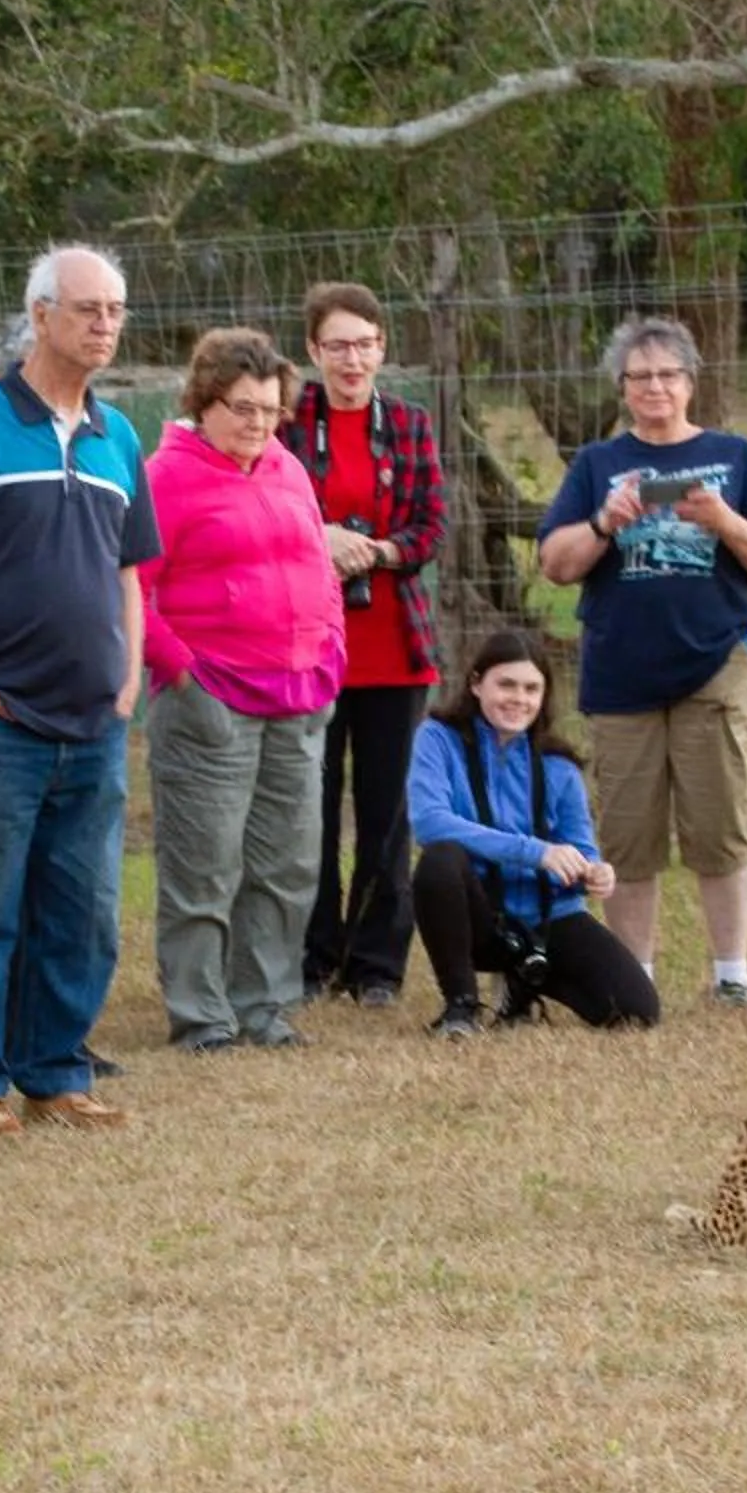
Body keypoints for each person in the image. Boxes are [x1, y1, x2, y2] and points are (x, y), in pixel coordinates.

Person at [0, 243, 158, 1134]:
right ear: (40, 315)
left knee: (82, 911)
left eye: (116, 310)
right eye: (88, 308)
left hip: (94, 721)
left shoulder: (119, 434)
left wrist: (127, 675)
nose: (105, 325)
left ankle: (56, 1074)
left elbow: (130, 569)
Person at [537, 315, 747, 1006]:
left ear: (691, 382)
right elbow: (556, 564)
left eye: (668, 374)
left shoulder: (736, 458)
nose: (655, 387)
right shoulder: (596, 465)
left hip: (717, 661)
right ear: (623, 388)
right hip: (620, 670)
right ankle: (635, 978)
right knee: (627, 834)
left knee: (720, 825)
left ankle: (731, 974)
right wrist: (604, 524)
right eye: (640, 376)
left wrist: (725, 521)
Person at [137, 326, 346, 1051]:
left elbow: (318, 562)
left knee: (288, 862)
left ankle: (265, 1005)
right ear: (205, 402)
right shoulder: (165, 476)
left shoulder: (286, 467)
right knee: (205, 865)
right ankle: (202, 1015)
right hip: (210, 699)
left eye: (270, 409)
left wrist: (331, 655)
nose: (258, 423)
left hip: (298, 695)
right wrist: (183, 676)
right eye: (242, 408)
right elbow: (131, 589)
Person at [282, 281, 448, 1010]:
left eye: (366, 343)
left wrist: (374, 551)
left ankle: (377, 964)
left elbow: (431, 527)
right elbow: (270, 514)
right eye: (338, 345)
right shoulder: (286, 423)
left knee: (388, 815)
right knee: (307, 808)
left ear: (384, 348)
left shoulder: (409, 425)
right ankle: (311, 958)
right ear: (314, 351)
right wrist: (320, 540)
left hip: (394, 649)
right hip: (307, 650)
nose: (353, 358)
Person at [407, 629, 658, 1038]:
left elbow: (580, 847)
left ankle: (526, 985)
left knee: (637, 1011)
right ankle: (461, 1007)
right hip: (477, 915)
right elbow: (430, 821)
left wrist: (594, 871)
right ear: (475, 684)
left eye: (531, 688)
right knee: (439, 860)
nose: (518, 699)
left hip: (548, 917)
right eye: (505, 684)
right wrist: (534, 851)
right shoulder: (438, 738)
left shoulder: (559, 764)